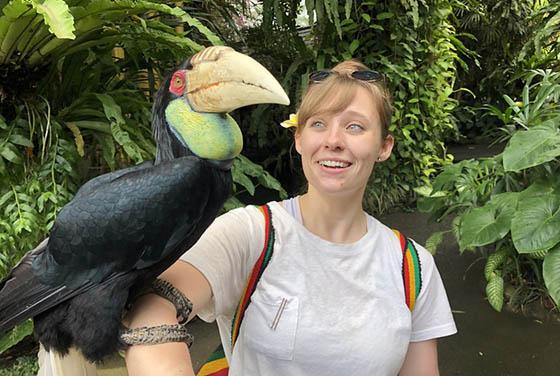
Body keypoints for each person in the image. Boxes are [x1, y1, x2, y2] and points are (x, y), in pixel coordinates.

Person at [124, 59, 457, 376]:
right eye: (318, 124)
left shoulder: (412, 267)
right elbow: (153, 307)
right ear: (299, 138)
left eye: (354, 126)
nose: (333, 141)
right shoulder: (250, 234)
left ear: (384, 146)